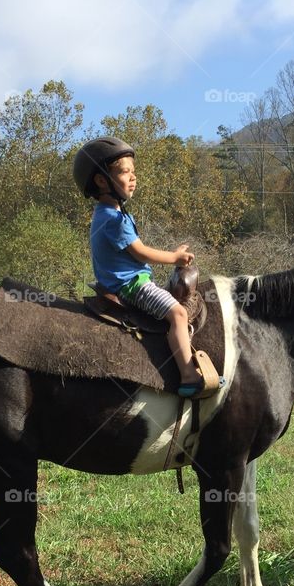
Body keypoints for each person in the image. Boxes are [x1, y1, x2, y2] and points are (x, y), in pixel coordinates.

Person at [72, 136, 221, 397]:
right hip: (131, 286)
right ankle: (188, 376)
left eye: (133, 172)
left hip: (126, 282)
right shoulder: (114, 220)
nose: (133, 178)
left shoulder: (108, 214)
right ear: (101, 180)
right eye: (124, 172)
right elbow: (141, 253)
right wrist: (175, 258)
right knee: (177, 314)